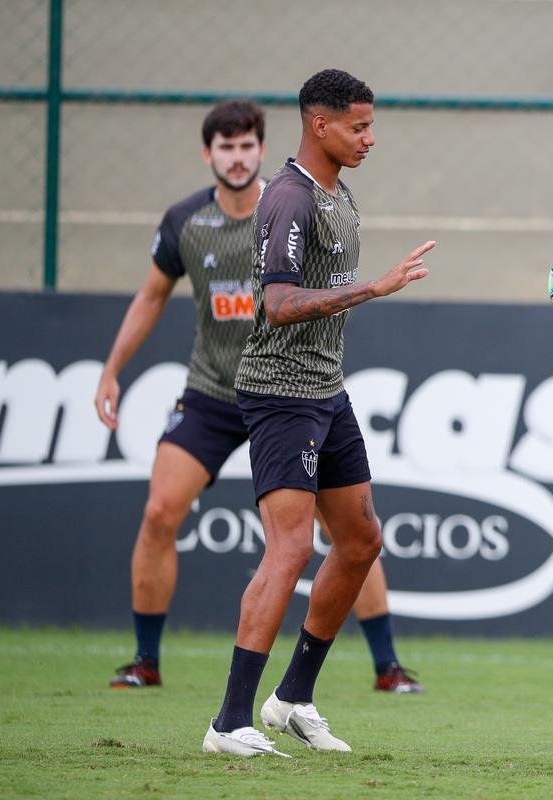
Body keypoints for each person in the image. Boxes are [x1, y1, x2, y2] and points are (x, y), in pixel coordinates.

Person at [93, 99, 422, 699]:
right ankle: (148, 661)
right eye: (226, 147)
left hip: (301, 388)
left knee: (354, 532)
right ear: (208, 154)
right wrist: (112, 368)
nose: (238, 157)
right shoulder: (187, 222)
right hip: (218, 392)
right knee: (162, 511)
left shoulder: (295, 200)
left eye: (247, 146)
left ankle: (387, 663)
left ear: (261, 150)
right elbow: (150, 297)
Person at [201, 69, 435, 757]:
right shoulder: (288, 199)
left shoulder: (338, 190)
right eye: (359, 126)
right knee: (293, 546)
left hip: (326, 390)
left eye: (371, 123)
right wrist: (374, 288)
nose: (371, 137)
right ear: (318, 123)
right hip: (279, 392)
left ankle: (293, 698)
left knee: (362, 543)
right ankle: (228, 723)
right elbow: (276, 303)